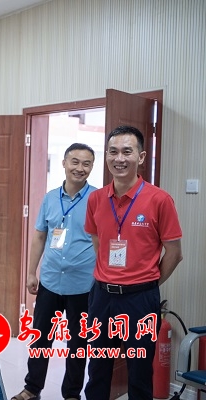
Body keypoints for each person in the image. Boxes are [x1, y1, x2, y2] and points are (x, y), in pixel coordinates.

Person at [84, 125, 183, 399]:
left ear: (141, 157)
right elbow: (98, 243)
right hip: (101, 297)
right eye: (113, 152)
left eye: (127, 151)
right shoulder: (95, 199)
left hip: (140, 299)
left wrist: (146, 282)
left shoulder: (159, 200)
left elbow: (175, 253)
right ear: (106, 155)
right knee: (97, 370)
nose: (119, 158)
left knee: (139, 373)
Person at [12, 143, 97, 400]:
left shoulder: (98, 199)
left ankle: (71, 394)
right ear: (64, 163)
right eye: (75, 162)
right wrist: (31, 272)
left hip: (83, 284)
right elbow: (40, 236)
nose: (80, 168)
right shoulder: (50, 198)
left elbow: (103, 241)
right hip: (49, 280)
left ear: (92, 167)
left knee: (77, 344)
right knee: (41, 339)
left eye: (86, 164)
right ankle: (32, 388)